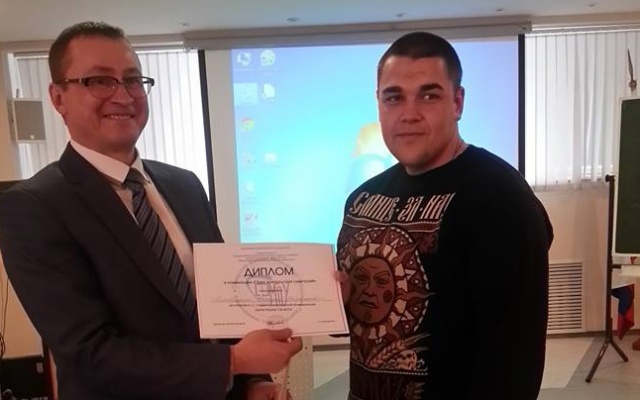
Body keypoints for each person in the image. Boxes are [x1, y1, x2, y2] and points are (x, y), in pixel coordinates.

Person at [0, 21, 301, 400]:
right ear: (58, 98)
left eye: (132, 79)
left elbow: (223, 302)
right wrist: (233, 362)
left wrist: (251, 382)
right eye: (99, 81)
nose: (123, 95)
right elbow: (89, 354)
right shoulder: (33, 207)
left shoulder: (184, 185)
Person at [336, 31, 554, 399]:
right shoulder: (362, 200)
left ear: (457, 102)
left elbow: (514, 360)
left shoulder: (500, 199)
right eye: (394, 97)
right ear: (379, 104)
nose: (409, 114)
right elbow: (363, 322)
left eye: (429, 95)